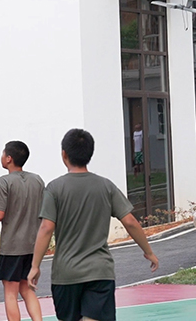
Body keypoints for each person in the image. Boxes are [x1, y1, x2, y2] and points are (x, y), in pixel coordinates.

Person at [28, 129, 158, 321]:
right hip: (100, 271)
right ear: (90, 154)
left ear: (64, 154)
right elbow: (130, 221)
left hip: (67, 273)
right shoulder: (106, 186)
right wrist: (148, 251)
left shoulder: (54, 188)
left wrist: (35, 266)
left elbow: (46, 228)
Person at [0, 141, 44, 321]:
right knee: (28, 289)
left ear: (9, 158)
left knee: (10, 293)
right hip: (32, 245)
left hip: (12, 246)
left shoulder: (4, 181)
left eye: (3, 153)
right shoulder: (37, 180)